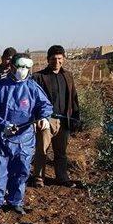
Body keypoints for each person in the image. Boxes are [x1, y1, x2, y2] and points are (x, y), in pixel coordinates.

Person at [0, 53, 53, 216]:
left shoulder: (33, 87)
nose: (24, 70)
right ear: (12, 67)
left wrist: (44, 117)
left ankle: (16, 201)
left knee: (21, 172)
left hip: (25, 139)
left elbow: (45, 105)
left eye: (28, 67)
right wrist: (4, 125)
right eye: (21, 67)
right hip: (2, 139)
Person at [31, 45, 81, 188]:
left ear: (64, 59)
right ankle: (39, 177)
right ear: (48, 59)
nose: (57, 62)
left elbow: (74, 98)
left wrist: (76, 117)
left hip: (64, 120)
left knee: (61, 152)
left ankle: (62, 177)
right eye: (53, 59)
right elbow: (34, 100)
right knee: (42, 150)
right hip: (46, 120)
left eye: (60, 58)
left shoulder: (68, 76)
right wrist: (37, 119)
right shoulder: (38, 77)